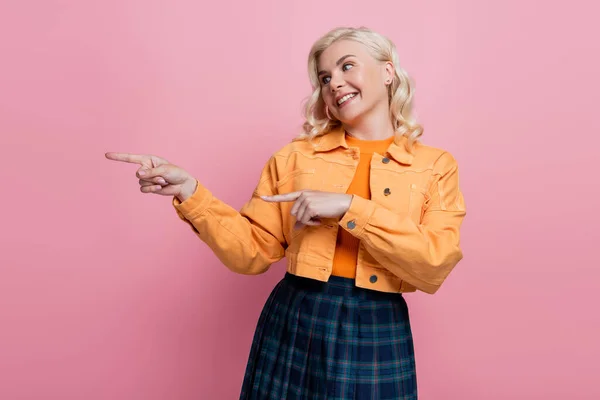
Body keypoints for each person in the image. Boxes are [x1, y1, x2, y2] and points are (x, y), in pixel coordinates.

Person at [106, 26, 466, 400]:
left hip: (377, 323)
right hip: (297, 314)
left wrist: (350, 207)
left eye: (347, 67)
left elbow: (434, 264)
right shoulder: (295, 157)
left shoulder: (435, 166)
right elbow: (251, 253)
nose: (335, 83)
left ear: (388, 72)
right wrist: (190, 193)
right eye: (325, 77)